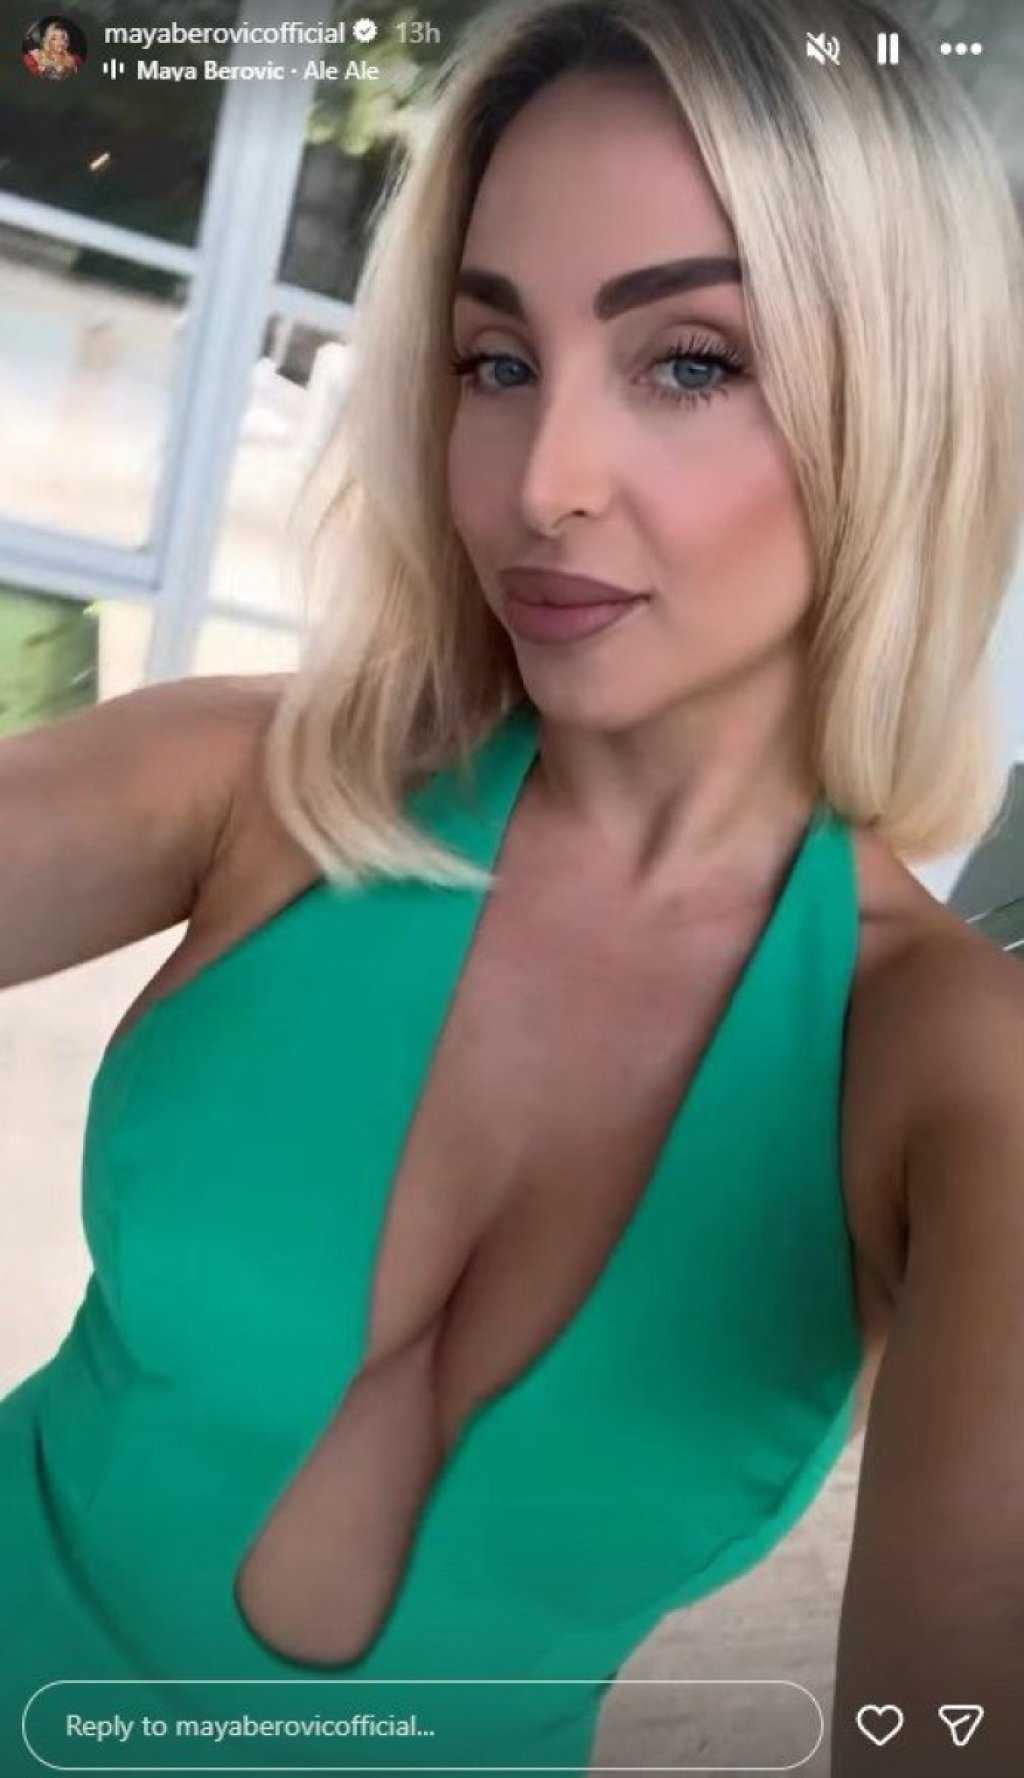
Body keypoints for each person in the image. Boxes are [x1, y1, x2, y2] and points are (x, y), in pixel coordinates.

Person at [1, 0, 1023, 1772]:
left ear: (905, 405)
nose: (542, 483)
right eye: (496, 361)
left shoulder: (947, 1063)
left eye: (689, 361)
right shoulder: (267, 781)